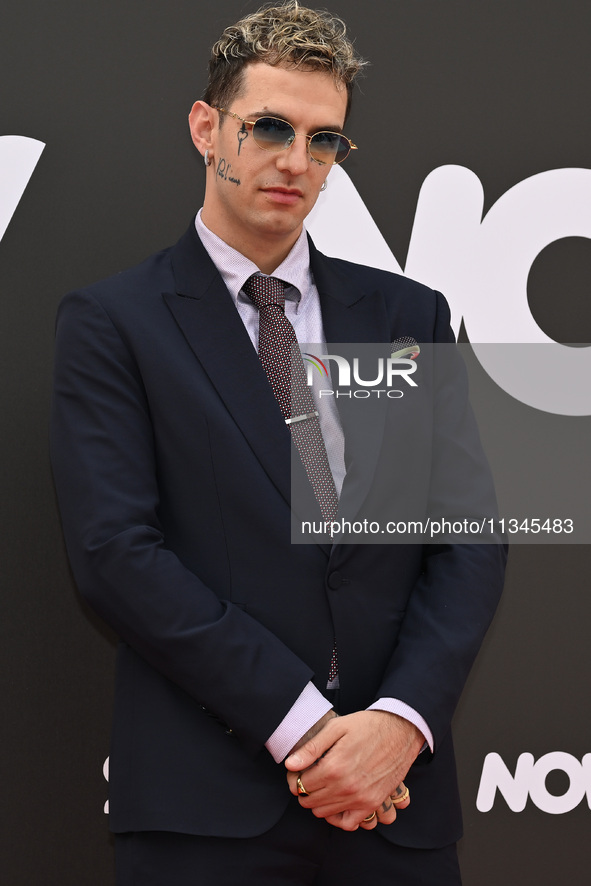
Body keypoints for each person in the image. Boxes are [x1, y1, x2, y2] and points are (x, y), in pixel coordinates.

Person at [50, 2, 506, 884]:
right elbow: (115, 555)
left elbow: (468, 538)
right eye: (269, 128)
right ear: (205, 127)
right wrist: (306, 728)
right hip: (205, 811)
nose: (297, 163)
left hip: (394, 806)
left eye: (324, 140)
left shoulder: (405, 315)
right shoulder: (114, 322)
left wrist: (397, 724)